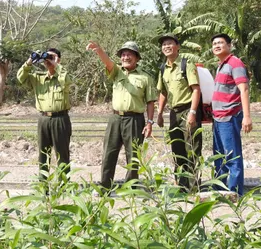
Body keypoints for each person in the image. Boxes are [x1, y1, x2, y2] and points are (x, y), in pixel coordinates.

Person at [86, 41, 157, 191]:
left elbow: (150, 102)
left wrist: (150, 122)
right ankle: (105, 186)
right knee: (109, 153)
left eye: (129, 54)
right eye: (123, 54)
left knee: (133, 155)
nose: (125, 57)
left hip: (135, 119)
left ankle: (130, 188)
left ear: (137, 58)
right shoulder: (116, 72)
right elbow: (108, 63)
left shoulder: (146, 77)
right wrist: (99, 50)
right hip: (115, 118)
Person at [156, 34, 202, 192]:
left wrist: (193, 112)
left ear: (178, 46)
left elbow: (196, 89)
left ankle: (193, 186)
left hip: (188, 109)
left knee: (192, 149)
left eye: (170, 43)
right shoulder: (163, 68)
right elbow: (163, 92)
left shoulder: (186, 64)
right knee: (177, 149)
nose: (166, 46)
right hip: (174, 114)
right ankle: (181, 185)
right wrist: (160, 113)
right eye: (164, 45)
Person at [17, 48, 72, 180]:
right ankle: (43, 185)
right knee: (43, 154)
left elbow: (68, 81)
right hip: (43, 119)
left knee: (62, 155)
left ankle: (64, 187)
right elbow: (20, 77)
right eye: (47, 57)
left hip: (60, 118)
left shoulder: (63, 76)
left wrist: (56, 65)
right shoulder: (38, 78)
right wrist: (31, 60)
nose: (48, 60)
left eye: (52, 57)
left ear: (58, 59)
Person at [211, 33, 252, 195]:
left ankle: (235, 192)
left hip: (230, 117)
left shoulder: (235, 63)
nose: (217, 45)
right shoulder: (221, 65)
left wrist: (247, 116)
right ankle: (219, 189)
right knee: (219, 156)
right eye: (214, 43)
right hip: (218, 118)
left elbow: (244, 89)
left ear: (229, 46)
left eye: (220, 42)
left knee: (232, 156)